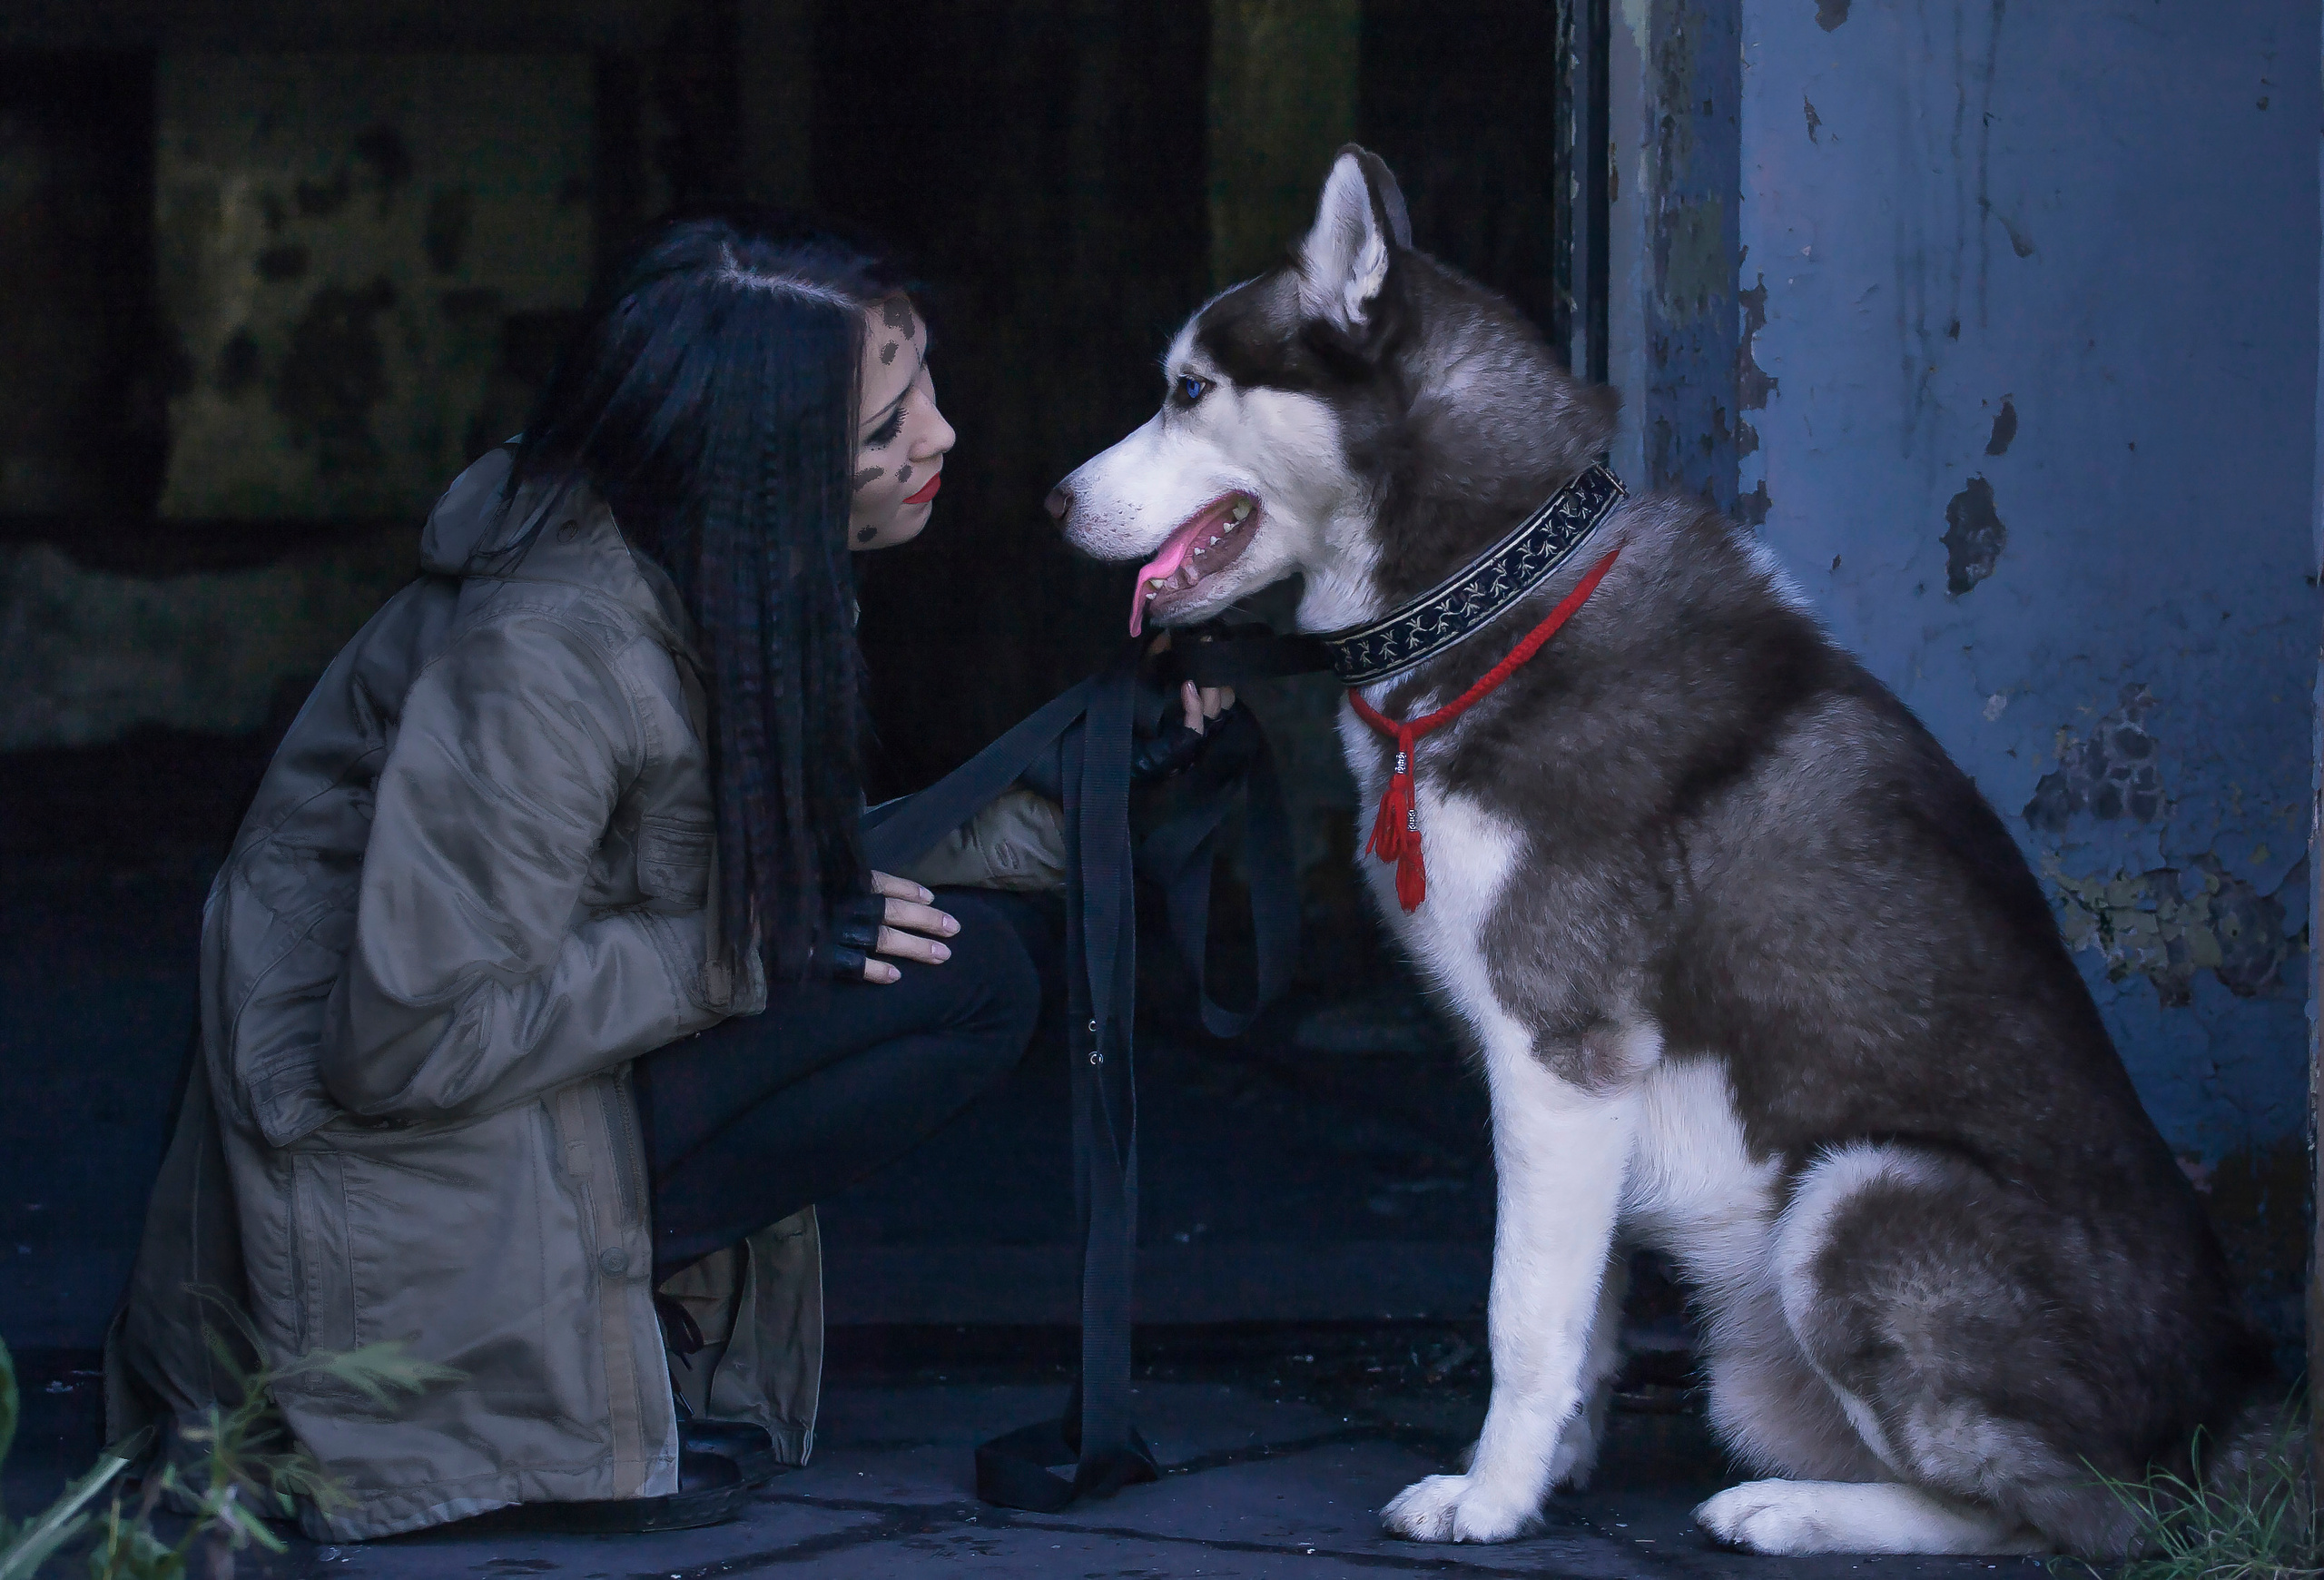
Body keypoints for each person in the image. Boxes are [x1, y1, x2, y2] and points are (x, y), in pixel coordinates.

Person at [104, 208, 1232, 1541]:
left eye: (921, 383)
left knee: (971, 964)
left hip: (517, 1074)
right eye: (882, 431)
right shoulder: (544, 658)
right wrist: (747, 947)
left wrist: (1107, 780)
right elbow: (402, 1043)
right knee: (962, 979)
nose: (938, 438)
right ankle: (532, 1348)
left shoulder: (710, 566)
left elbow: (765, 864)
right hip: (379, 1172)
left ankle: (595, 1325)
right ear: (754, 468)